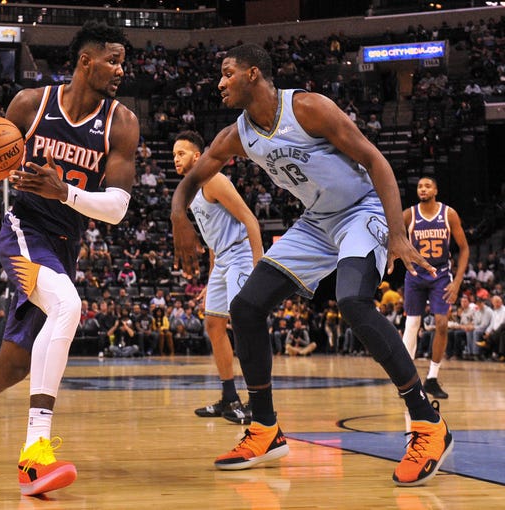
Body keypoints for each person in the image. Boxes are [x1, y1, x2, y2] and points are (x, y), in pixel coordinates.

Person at [170, 43, 452, 486]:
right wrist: (177, 213)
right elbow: (192, 178)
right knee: (245, 308)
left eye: (227, 73)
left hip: (363, 208)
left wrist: (397, 233)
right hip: (318, 221)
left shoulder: (306, 108)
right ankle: (264, 428)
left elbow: (375, 160)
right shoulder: (236, 136)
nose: (219, 83)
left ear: (253, 74)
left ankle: (427, 423)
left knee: (354, 303)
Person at [0, 21, 138, 496]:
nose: (121, 69)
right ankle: (36, 454)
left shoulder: (121, 122)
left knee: (16, 362)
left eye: (122, 61)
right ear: (85, 61)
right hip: (22, 231)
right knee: (68, 306)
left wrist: (66, 192)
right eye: (113, 60)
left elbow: (118, 208)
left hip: (64, 243)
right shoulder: (30, 105)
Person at [172, 130, 263, 425]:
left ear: (197, 157)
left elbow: (251, 219)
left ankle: (258, 401)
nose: (175, 159)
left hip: (240, 254)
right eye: (173, 154)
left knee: (243, 324)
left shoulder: (214, 180)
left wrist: (258, 264)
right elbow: (211, 240)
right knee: (213, 325)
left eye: (181, 153)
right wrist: (212, 278)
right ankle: (229, 396)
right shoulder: (191, 190)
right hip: (222, 258)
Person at [401, 177, 469, 399]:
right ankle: (406, 380)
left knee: (441, 324)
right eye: (420, 186)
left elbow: (464, 248)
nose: (423, 189)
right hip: (416, 275)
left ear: (436, 190)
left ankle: (432, 378)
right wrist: (400, 256)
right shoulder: (409, 215)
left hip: (440, 275)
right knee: (412, 324)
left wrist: (457, 282)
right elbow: (394, 239)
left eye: (427, 185)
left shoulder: (448, 214)